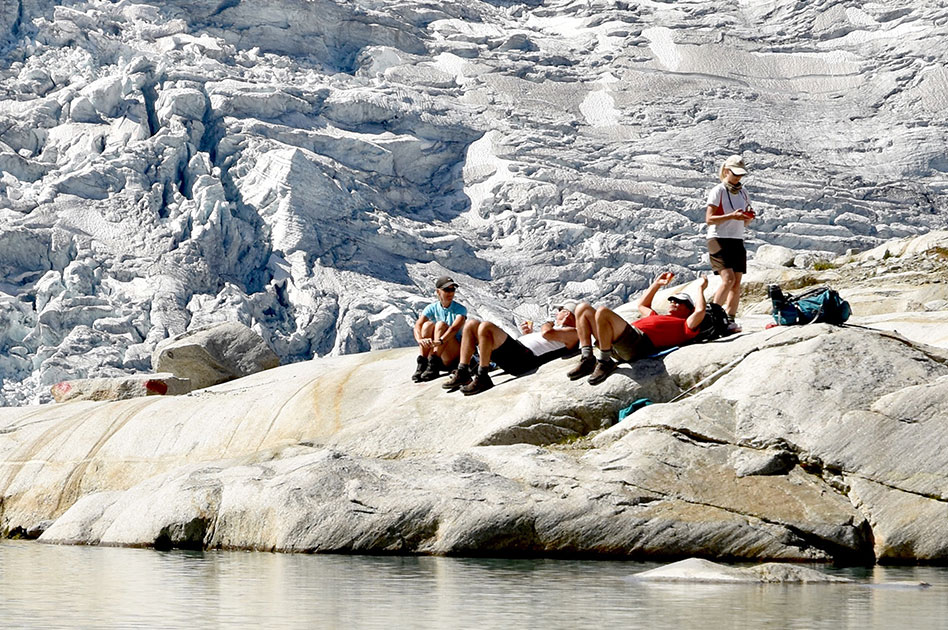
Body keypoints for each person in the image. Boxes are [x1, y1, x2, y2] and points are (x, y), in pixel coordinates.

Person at [567, 272, 709, 385]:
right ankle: (587, 359)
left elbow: (700, 312)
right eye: (672, 300)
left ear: (689, 309)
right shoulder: (656, 315)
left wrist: (700, 289)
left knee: (603, 312)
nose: (674, 302)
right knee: (582, 308)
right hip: (620, 341)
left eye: (680, 302)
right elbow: (642, 305)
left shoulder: (684, 325)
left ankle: (605, 362)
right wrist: (657, 284)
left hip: (638, 343)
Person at [443, 301, 587, 395]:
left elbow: (547, 333)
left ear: (566, 313)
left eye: (559, 310)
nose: (556, 313)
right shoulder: (561, 331)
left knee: (486, 326)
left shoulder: (574, 333)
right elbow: (546, 339)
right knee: (471, 324)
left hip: (525, 359)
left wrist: (547, 322)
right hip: (519, 353)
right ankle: (463, 372)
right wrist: (528, 335)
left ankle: (482, 376)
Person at [706, 155, 755, 332]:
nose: (738, 178)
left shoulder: (743, 192)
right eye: (735, 174)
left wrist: (747, 218)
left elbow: (744, 220)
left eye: (740, 175)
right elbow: (709, 219)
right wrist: (732, 216)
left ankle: (730, 319)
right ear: (726, 171)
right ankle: (711, 317)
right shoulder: (718, 190)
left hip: (736, 238)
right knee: (728, 279)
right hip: (718, 238)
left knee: (736, 282)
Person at [412, 276, 467, 382]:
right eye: (447, 290)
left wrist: (440, 341)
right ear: (438, 292)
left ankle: (434, 364)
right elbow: (418, 325)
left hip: (453, 356)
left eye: (452, 290)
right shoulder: (431, 308)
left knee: (441, 325)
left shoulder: (460, 309)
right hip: (437, 353)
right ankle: (422, 364)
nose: (450, 293)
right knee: (427, 325)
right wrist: (420, 340)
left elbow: (454, 329)